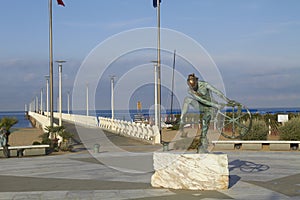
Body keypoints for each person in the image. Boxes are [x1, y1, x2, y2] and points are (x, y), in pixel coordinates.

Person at [179, 73, 234, 153]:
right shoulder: (190, 90)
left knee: (205, 121)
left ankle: (203, 141)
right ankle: (182, 119)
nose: (193, 88)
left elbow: (217, 92)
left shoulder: (204, 85)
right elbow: (201, 100)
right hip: (201, 105)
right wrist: (216, 105)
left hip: (210, 107)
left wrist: (227, 100)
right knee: (187, 100)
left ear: (196, 82)